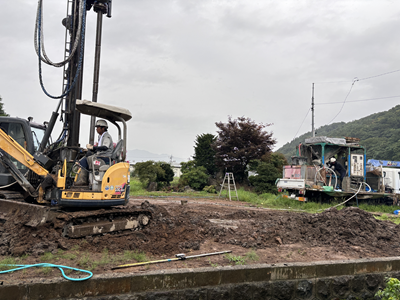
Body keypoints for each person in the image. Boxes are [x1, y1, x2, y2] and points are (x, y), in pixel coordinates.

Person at [75, 119, 113, 185]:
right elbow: (99, 149)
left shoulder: (107, 137)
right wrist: (91, 149)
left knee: (84, 160)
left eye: (98, 127)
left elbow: (105, 147)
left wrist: (93, 147)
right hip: (101, 156)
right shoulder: (101, 136)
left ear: (103, 128)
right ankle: (88, 180)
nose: (96, 129)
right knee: (86, 157)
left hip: (104, 158)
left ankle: (84, 180)